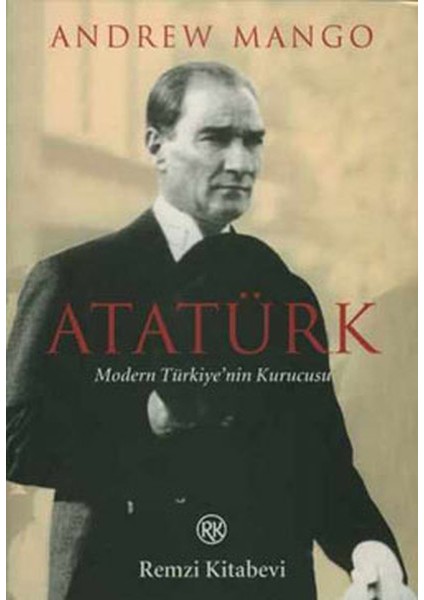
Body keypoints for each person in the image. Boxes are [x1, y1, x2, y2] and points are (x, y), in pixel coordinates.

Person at [6, 62, 414, 599]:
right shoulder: (74, 279)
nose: (241, 162)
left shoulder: (285, 294)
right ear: (156, 145)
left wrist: (368, 547)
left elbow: (320, 461)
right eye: (216, 138)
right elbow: (16, 440)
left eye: (253, 141)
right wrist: (150, 415)